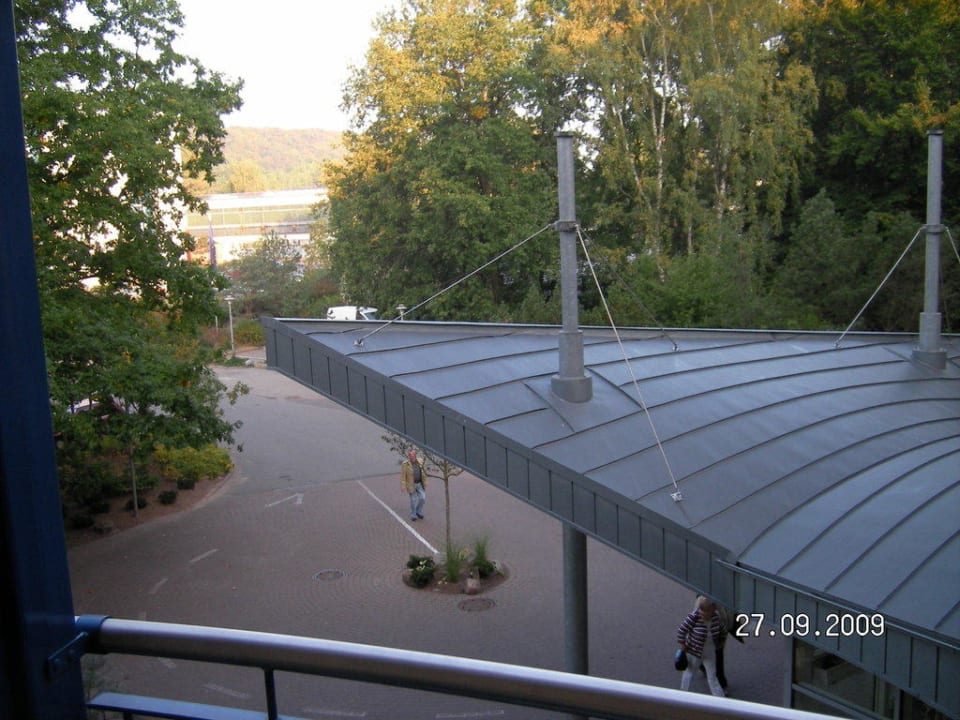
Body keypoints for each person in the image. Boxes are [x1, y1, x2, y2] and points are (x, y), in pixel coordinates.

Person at [676, 595, 726, 697]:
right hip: (694, 651)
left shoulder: (716, 618)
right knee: (689, 673)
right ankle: (683, 694)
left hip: (710, 651)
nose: (702, 614)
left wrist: (720, 643)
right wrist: (683, 645)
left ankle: (720, 698)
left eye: (706, 612)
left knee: (712, 675)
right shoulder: (693, 617)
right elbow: (681, 631)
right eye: (701, 611)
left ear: (712, 609)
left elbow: (723, 630)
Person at [400, 449, 427, 521]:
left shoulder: (420, 461)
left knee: (423, 498)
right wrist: (403, 486)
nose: (410, 456)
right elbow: (403, 476)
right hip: (411, 484)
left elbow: (424, 471)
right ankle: (413, 514)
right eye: (409, 455)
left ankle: (418, 511)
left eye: (412, 455)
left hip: (419, 483)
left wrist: (426, 481)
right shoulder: (405, 464)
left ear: (415, 455)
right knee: (413, 500)